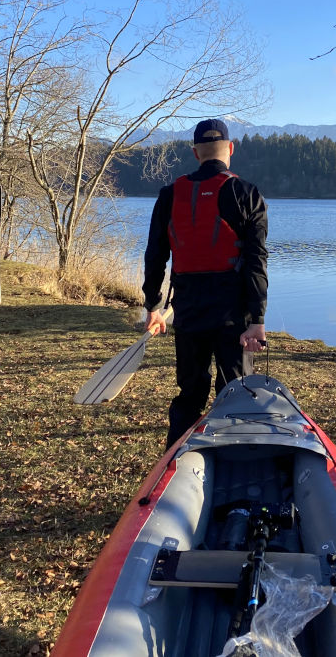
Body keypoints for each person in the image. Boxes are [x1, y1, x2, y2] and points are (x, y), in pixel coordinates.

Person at [142, 118, 268, 449]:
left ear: (195, 153)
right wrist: (257, 320)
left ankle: (174, 465)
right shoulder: (246, 194)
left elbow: (155, 256)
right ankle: (233, 467)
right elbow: (256, 261)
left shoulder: (169, 195)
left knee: (190, 395)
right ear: (230, 149)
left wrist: (154, 307)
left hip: (189, 313)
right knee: (235, 393)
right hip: (233, 316)